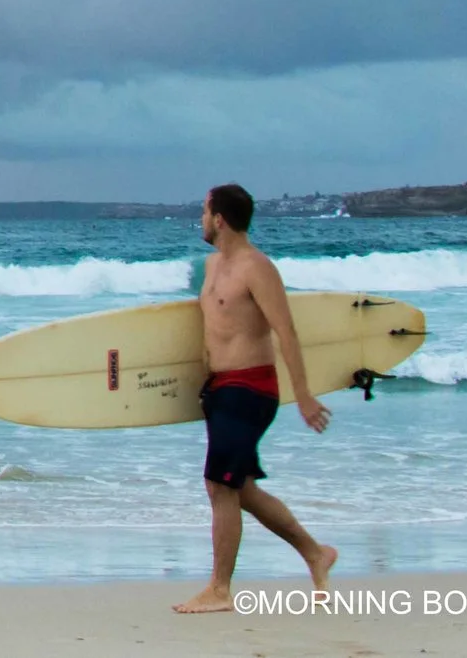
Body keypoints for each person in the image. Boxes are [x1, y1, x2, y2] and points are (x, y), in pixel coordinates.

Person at [173, 184, 336, 614]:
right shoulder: (211, 265)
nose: (201, 219)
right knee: (238, 488)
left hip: (251, 388)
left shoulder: (256, 267)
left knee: (219, 484)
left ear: (219, 218)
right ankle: (316, 553)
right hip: (219, 390)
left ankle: (220, 589)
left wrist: (303, 396)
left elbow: (286, 331)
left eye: (204, 211)